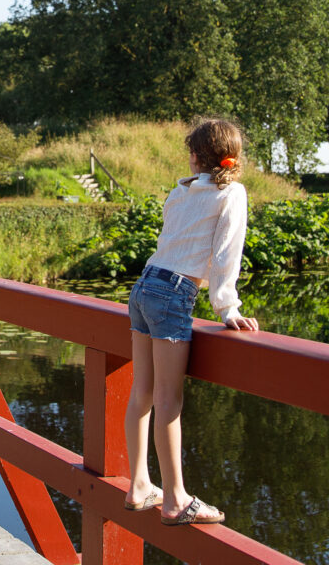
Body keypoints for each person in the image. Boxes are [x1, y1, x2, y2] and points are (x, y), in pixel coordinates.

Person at [121, 118, 258, 526]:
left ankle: (140, 485)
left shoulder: (180, 190)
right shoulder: (230, 193)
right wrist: (226, 307)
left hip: (145, 285)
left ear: (197, 157)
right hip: (174, 293)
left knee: (141, 391)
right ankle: (176, 499)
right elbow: (224, 254)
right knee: (169, 399)